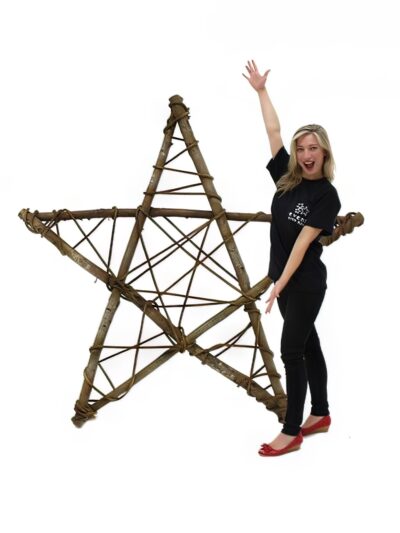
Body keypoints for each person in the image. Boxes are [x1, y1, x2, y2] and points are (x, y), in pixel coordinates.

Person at [243, 60, 341, 456]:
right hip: (284, 283)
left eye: (312, 148)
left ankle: (291, 431)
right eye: (301, 149)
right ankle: (320, 414)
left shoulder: (327, 196)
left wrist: (279, 284)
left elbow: (302, 245)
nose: (305, 154)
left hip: (304, 283)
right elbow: (273, 131)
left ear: (324, 151)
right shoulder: (286, 182)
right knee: (308, 343)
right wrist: (261, 91)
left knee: (291, 352)